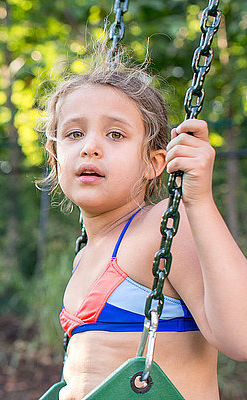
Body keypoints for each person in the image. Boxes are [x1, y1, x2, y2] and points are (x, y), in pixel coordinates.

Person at [36, 52, 247, 399]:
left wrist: (200, 203)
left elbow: (240, 337)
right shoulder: (84, 256)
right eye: (74, 133)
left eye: (115, 134)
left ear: (154, 162)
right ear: (55, 156)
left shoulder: (165, 227)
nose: (90, 147)